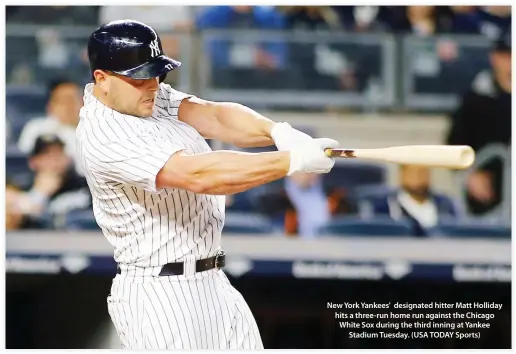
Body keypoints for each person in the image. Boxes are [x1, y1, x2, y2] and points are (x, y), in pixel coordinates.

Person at [76, 19, 338, 349]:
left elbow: (213, 116)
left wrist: (279, 133)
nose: (153, 85)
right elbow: (200, 176)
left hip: (213, 280)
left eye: (157, 74)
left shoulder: (145, 98)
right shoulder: (104, 134)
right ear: (102, 80)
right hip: (161, 295)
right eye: (140, 77)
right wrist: (293, 162)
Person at [446, 33, 511, 216]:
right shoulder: (475, 100)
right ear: (495, 58)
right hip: (488, 202)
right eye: (506, 56)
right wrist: (470, 175)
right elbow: (454, 145)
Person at [358, 165, 458, 236]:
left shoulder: (446, 204)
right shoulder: (383, 206)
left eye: (423, 172)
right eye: (413, 173)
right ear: (402, 175)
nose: (418, 178)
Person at [18, 78, 83, 167]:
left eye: (74, 99)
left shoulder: (94, 131)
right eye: (64, 101)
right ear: (50, 105)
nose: (70, 106)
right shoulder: (37, 129)